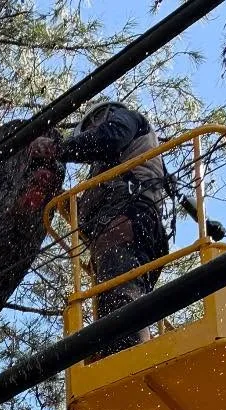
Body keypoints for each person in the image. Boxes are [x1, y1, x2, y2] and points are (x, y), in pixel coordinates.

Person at [53, 100, 171, 352]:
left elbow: (110, 138)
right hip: (127, 227)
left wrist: (58, 149)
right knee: (113, 301)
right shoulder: (110, 166)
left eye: (91, 128)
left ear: (100, 117)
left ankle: (131, 362)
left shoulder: (126, 120)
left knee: (120, 295)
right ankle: (120, 357)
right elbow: (85, 216)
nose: (91, 133)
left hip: (129, 219)